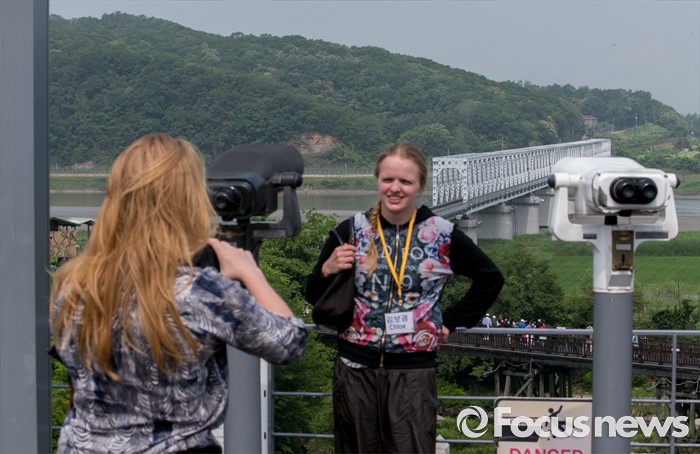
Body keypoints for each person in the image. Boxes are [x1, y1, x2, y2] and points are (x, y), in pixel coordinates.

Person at [50, 134, 308, 453]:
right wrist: (249, 273)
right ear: (187, 201)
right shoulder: (194, 291)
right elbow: (290, 343)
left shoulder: (72, 285)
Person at [305, 142, 504, 453]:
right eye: (388, 179)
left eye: (405, 181)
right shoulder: (352, 230)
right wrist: (325, 271)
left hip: (413, 372)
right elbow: (313, 294)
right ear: (377, 180)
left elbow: (490, 278)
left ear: (420, 186)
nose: (395, 188)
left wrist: (451, 321)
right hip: (354, 368)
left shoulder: (442, 234)